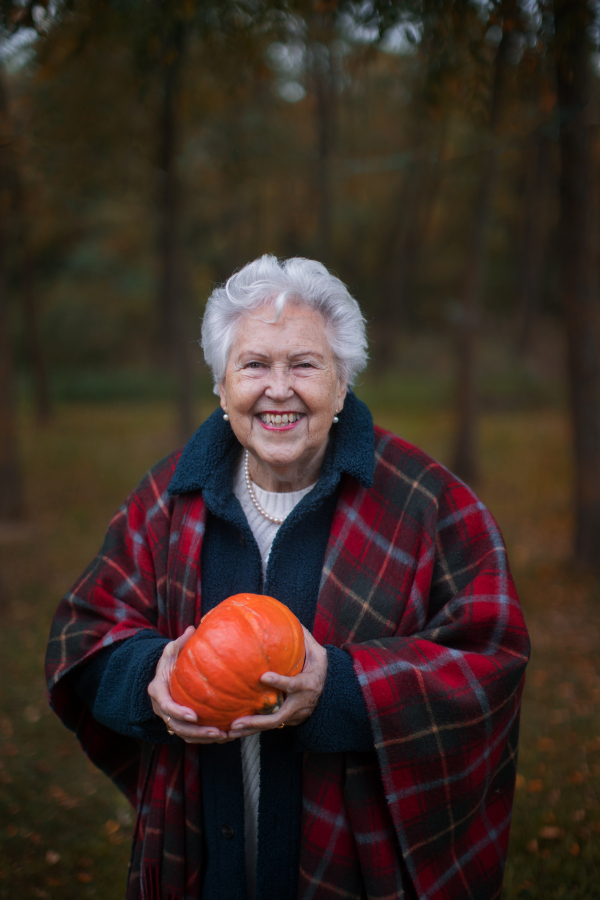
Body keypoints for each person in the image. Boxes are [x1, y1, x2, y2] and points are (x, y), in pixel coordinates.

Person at [45, 255, 530, 900]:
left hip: (349, 862)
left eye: (304, 364)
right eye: (254, 365)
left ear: (341, 382)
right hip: (197, 838)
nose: (279, 389)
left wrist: (344, 690)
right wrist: (149, 674)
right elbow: (84, 632)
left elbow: (491, 660)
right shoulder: (167, 496)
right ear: (221, 386)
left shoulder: (426, 502)